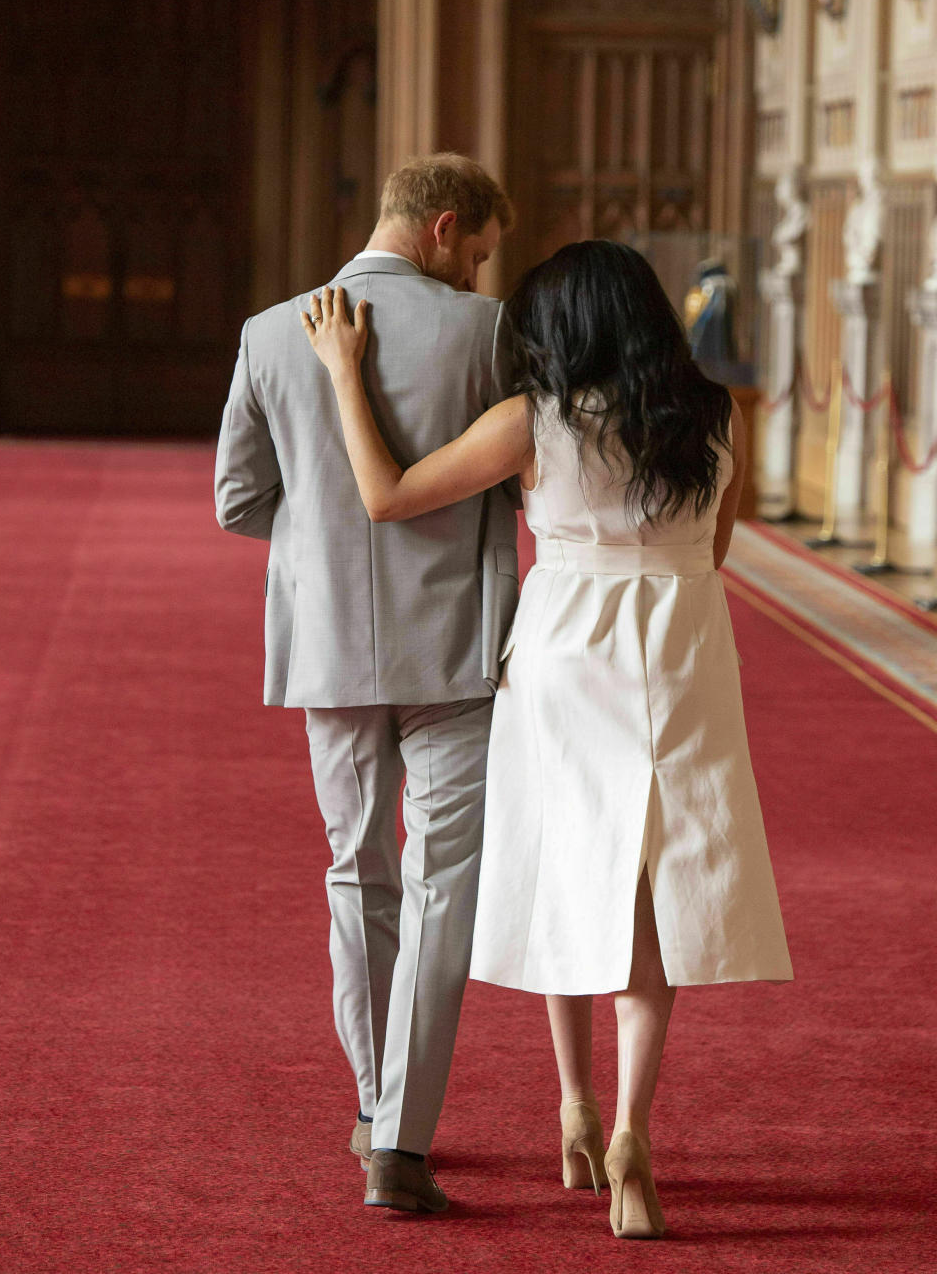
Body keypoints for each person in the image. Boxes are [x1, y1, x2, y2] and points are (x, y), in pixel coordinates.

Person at [301, 239, 794, 1239]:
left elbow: (388, 494)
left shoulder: (536, 422)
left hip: (567, 653)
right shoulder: (712, 417)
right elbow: (717, 552)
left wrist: (346, 374)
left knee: (573, 878)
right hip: (683, 650)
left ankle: (571, 1105)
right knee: (654, 898)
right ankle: (627, 1134)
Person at [215, 153, 519, 1215]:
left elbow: (236, 500)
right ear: (443, 228)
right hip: (459, 649)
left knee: (357, 870)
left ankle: (368, 1096)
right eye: (479, 252)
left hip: (329, 646)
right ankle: (400, 1138)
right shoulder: (488, 336)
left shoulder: (268, 333)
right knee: (442, 891)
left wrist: (319, 540)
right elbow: (532, 476)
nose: (483, 273)